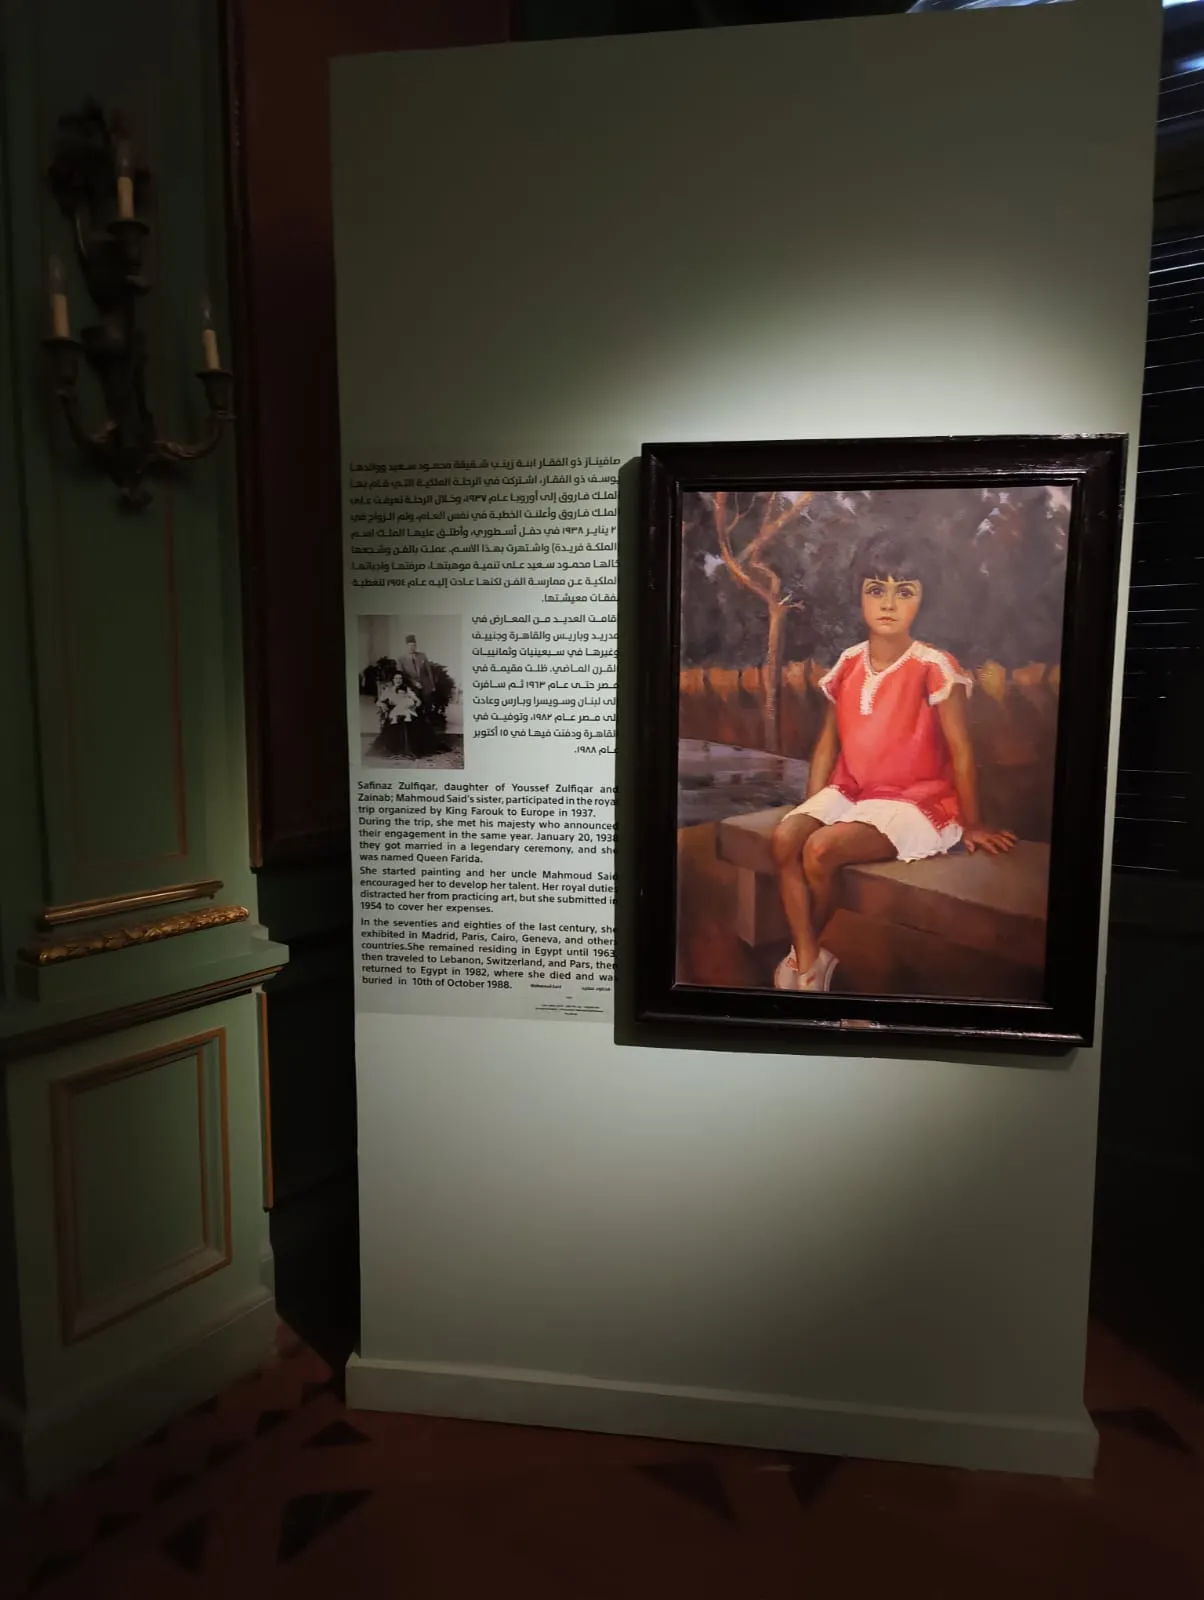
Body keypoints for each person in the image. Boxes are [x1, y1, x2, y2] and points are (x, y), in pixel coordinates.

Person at [770, 533, 1016, 992]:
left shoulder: (933, 665)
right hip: (852, 791)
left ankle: (805, 965)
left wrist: (972, 823)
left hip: (914, 801)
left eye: (904, 591)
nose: (888, 604)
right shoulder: (848, 663)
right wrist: (811, 808)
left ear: (922, 599)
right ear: (859, 595)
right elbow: (827, 745)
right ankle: (808, 955)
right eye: (875, 590)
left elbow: (961, 751)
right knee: (787, 837)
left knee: (820, 851)